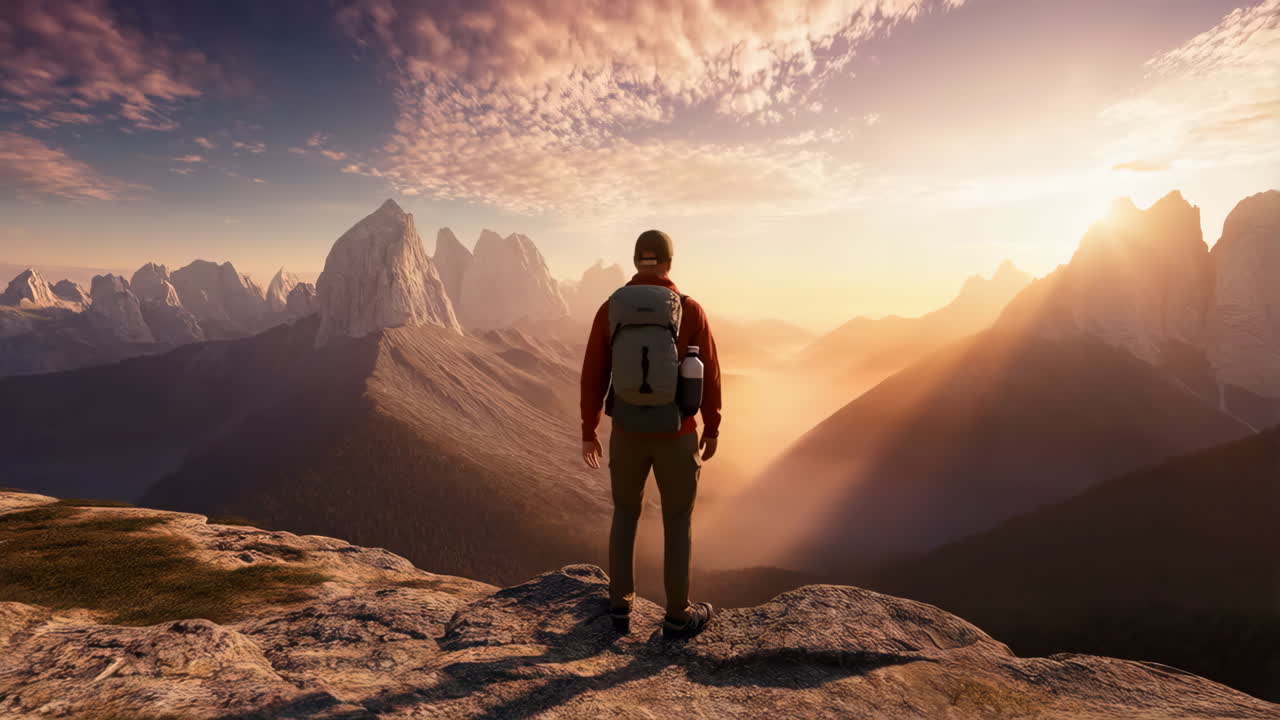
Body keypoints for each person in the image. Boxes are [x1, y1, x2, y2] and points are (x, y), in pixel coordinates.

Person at [580, 229, 722, 640]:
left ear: (636, 260)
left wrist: (589, 429)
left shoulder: (611, 307)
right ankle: (678, 614)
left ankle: (619, 606)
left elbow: (594, 373)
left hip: (626, 431)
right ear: (668, 262)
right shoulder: (690, 310)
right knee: (677, 520)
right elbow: (709, 373)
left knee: (625, 514)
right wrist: (711, 427)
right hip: (676, 433)